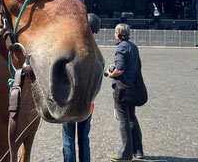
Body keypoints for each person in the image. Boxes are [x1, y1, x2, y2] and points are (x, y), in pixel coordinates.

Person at [61, 13, 100, 162]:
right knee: (84, 139)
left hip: (70, 101)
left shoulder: (72, 49)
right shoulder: (97, 53)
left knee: (68, 138)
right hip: (88, 103)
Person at [107, 23, 144, 161]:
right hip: (132, 88)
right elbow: (132, 66)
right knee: (132, 118)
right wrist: (115, 66)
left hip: (122, 89)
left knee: (124, 120)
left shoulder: (121, 48)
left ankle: (125, 154)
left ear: (117, 34)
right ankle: (138, 151)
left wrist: (110, 73)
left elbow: (120, 70)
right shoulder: (133, 47)